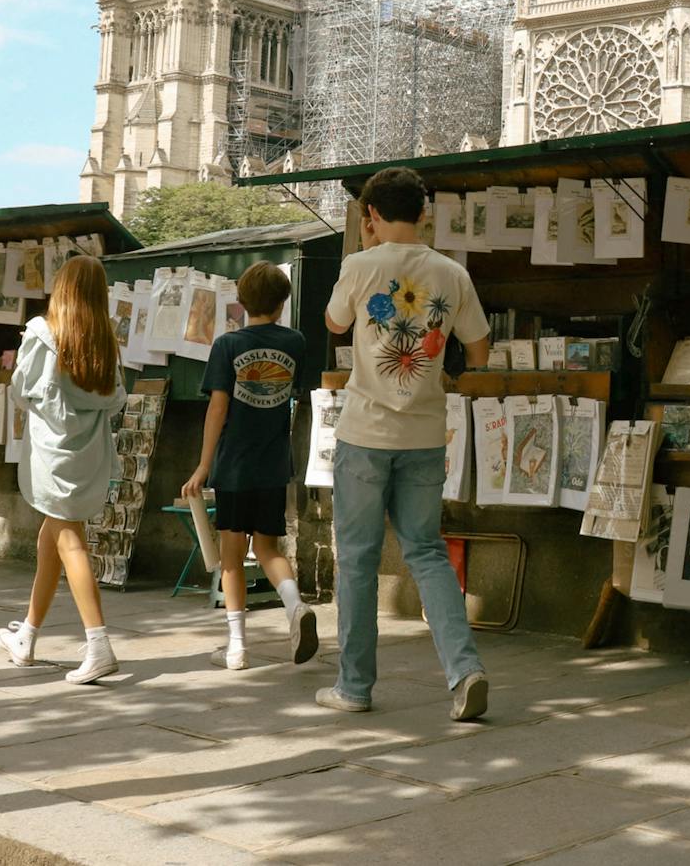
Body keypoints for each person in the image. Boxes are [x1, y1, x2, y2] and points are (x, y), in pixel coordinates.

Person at [320, 167, 491, 720]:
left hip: (365, 434)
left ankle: (354, 687)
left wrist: (369, 249)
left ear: (369, 216)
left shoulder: (359, 266)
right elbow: (481, 351)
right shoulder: (451, 272)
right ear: (424, 214)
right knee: (427, 553)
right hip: (423, 434)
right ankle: (465, 672)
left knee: (358, 560)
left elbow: (334, 322)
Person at [0, 255, 128, 684]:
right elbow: (117, 398)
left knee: (69, 541)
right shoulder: (105, 339)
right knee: (50, 540)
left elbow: (21, 388)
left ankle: (99, 643)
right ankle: (28, 635)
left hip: (52, 452)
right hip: (89, 453)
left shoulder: (42, 332)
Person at [180, 261, 317, 669]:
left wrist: (204, 465)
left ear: (240, 302)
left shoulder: (227, 346)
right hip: (275, 463)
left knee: (232, 557)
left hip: (235, 464)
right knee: (269, 547)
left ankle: (237, 647)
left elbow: (217, 409)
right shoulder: (295, 343)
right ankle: (295, 607)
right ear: (283, 302)